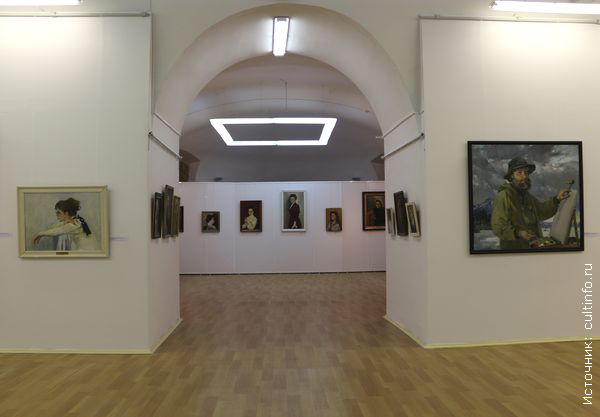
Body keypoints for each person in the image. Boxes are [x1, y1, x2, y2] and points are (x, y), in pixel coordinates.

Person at [491, 157, 571, 250]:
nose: (524, 176)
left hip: (532, 247)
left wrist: (557, 199)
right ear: (512, 176)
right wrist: (519, 233)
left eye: (526, 173)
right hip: (514, 249)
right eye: (519, 173)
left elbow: (542, 211)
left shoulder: (527, 196)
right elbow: (498, 226)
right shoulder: (503, 196)